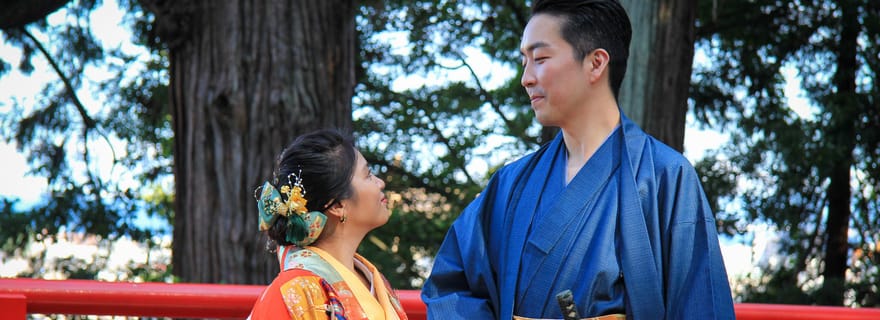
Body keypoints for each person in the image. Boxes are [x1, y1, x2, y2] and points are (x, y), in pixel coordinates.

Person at [421, 0, 735, 319]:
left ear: (595, 64)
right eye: (524, 61)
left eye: (540, 59)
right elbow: (451, 287)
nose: (526, 78)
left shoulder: (665, 177)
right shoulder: (510, 184)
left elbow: (701, 304)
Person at [249, 129, 407, 320]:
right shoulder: (293, 291)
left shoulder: (373, 280)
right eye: (368, 175)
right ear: (338, 204)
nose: (380, 183)